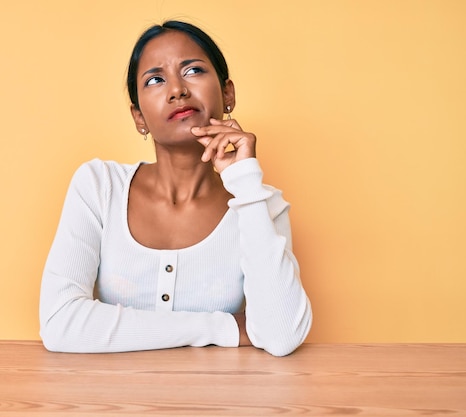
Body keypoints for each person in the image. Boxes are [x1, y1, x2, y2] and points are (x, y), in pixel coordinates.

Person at [39, 20, 312, 356]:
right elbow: (60, 323)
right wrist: (223, 326)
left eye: (194, 70)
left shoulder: (260, 203)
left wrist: (245, 180)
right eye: (155, 79)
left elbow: (280, 335)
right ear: (139, 117)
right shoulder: (98, 186)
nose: (177, 90)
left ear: (228, 93)